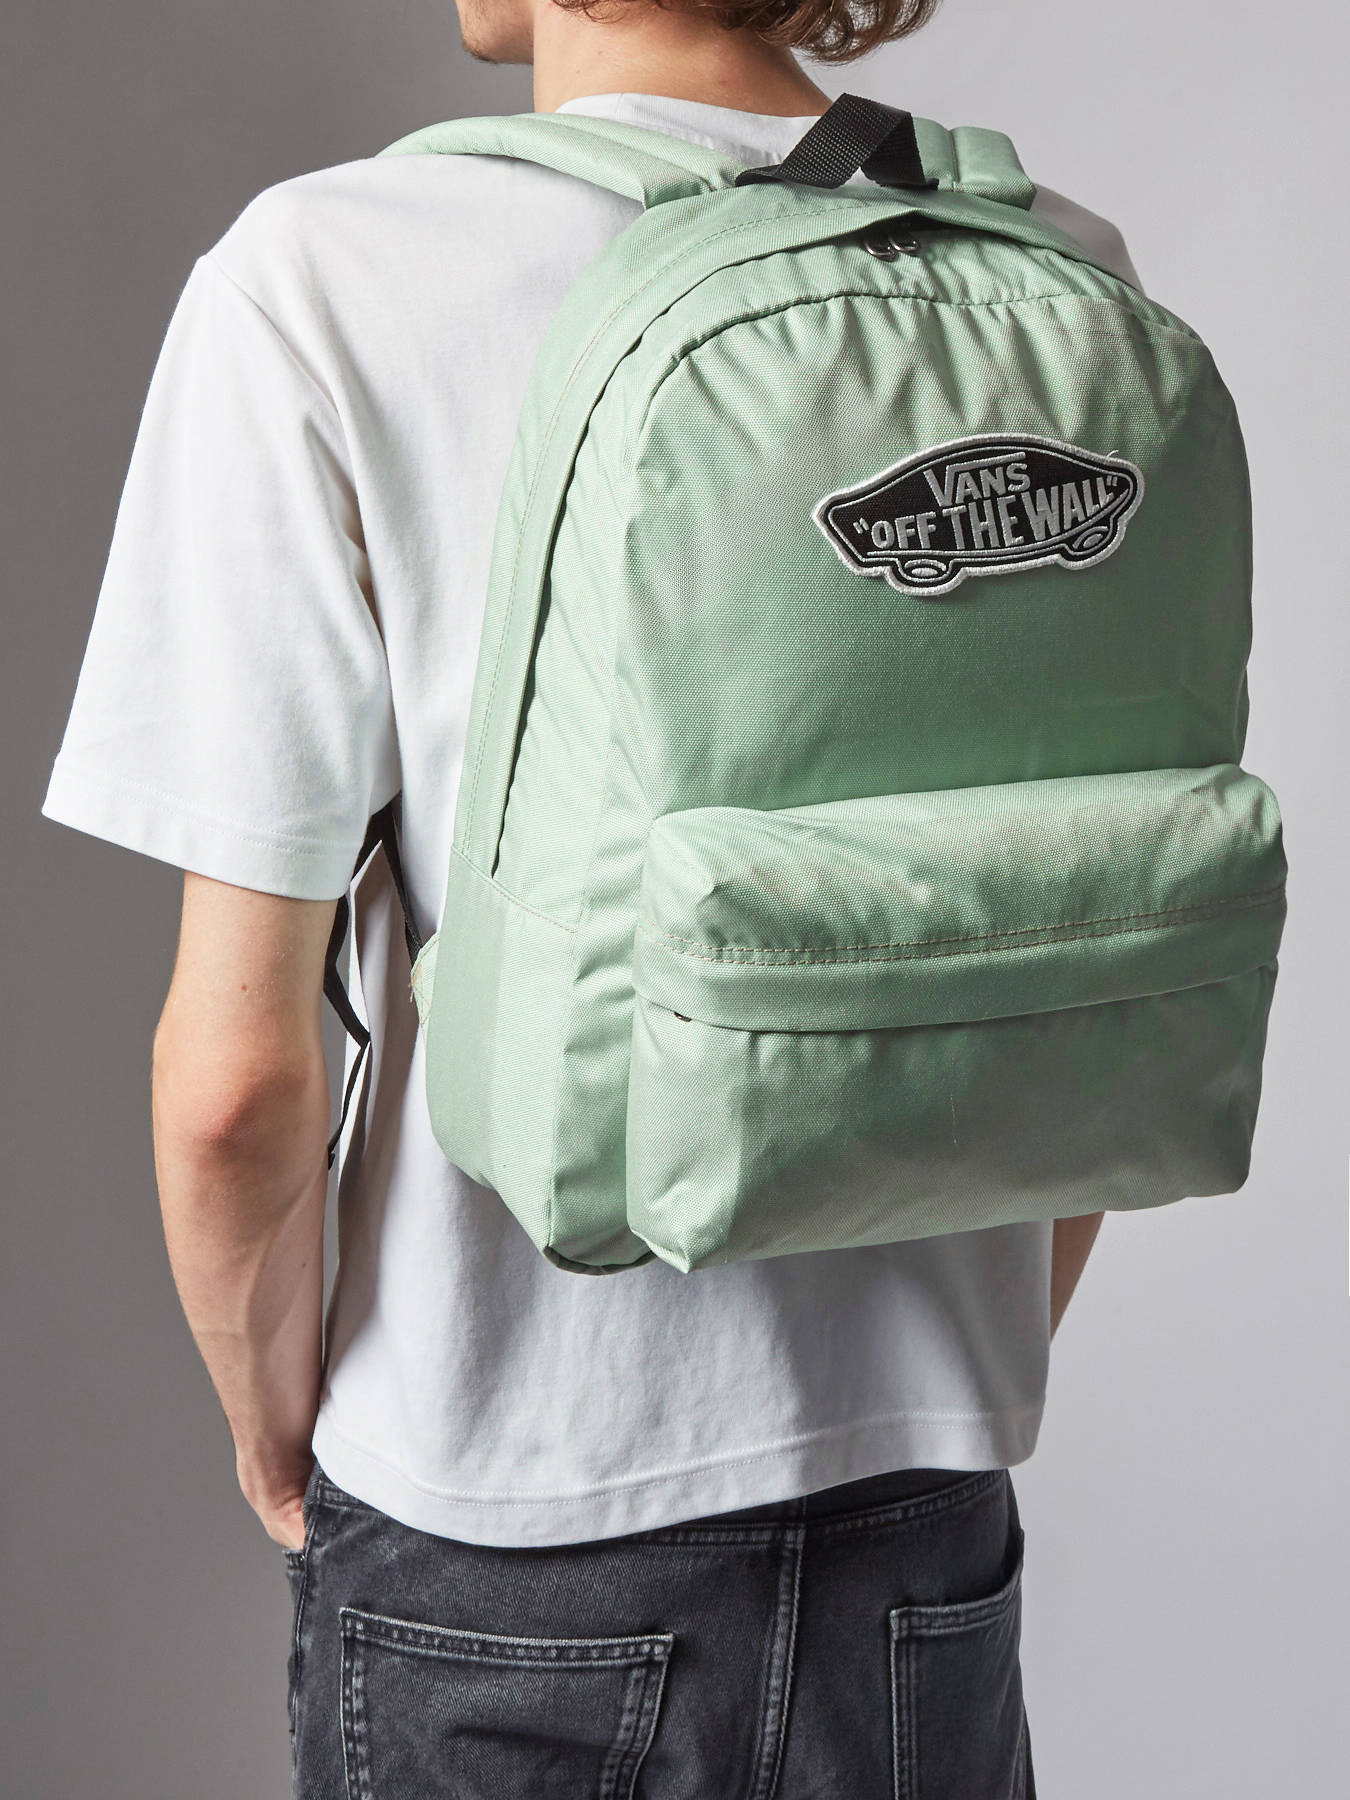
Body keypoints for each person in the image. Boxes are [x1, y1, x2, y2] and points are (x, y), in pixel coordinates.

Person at [40, 0, 1133, 1791]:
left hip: (503, 1526)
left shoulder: (329, 276)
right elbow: (1084, 934)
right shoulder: (1048, 269)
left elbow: (236, 1080)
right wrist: (947, 1353)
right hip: (925, 1521)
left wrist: (279, 1432)